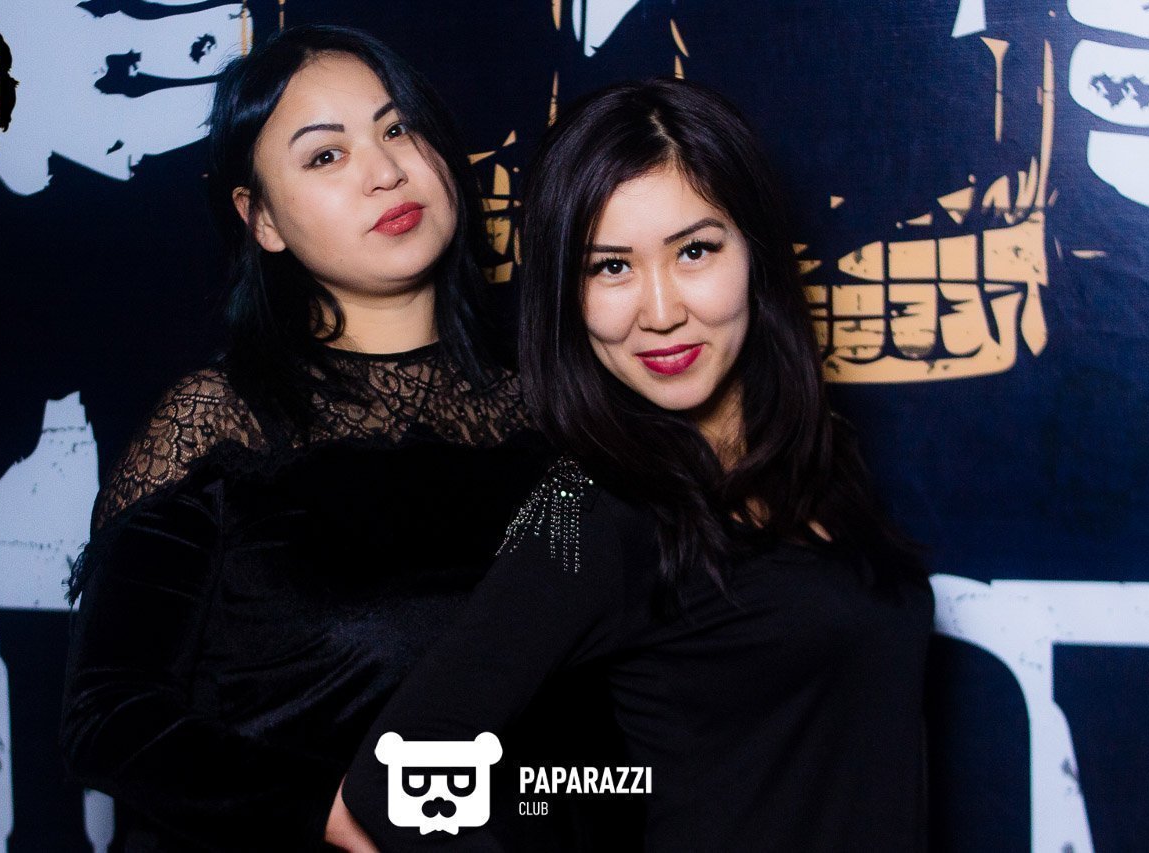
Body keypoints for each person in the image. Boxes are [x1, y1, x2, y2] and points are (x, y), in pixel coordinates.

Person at [338, 78, 934, 851]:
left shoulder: (820, 451)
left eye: (695, 251)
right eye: (610, 267)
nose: (660, 312)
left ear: (754, 250)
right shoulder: (588, 505)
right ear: (567, 293)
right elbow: (387, 785)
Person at [60, 25, 557, 851]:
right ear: (262, 220)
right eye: (326, 155)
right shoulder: (217, 423)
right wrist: (337, 811)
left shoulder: (555, 424)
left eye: (399, 128)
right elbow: (109, 716)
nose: (385, 170)